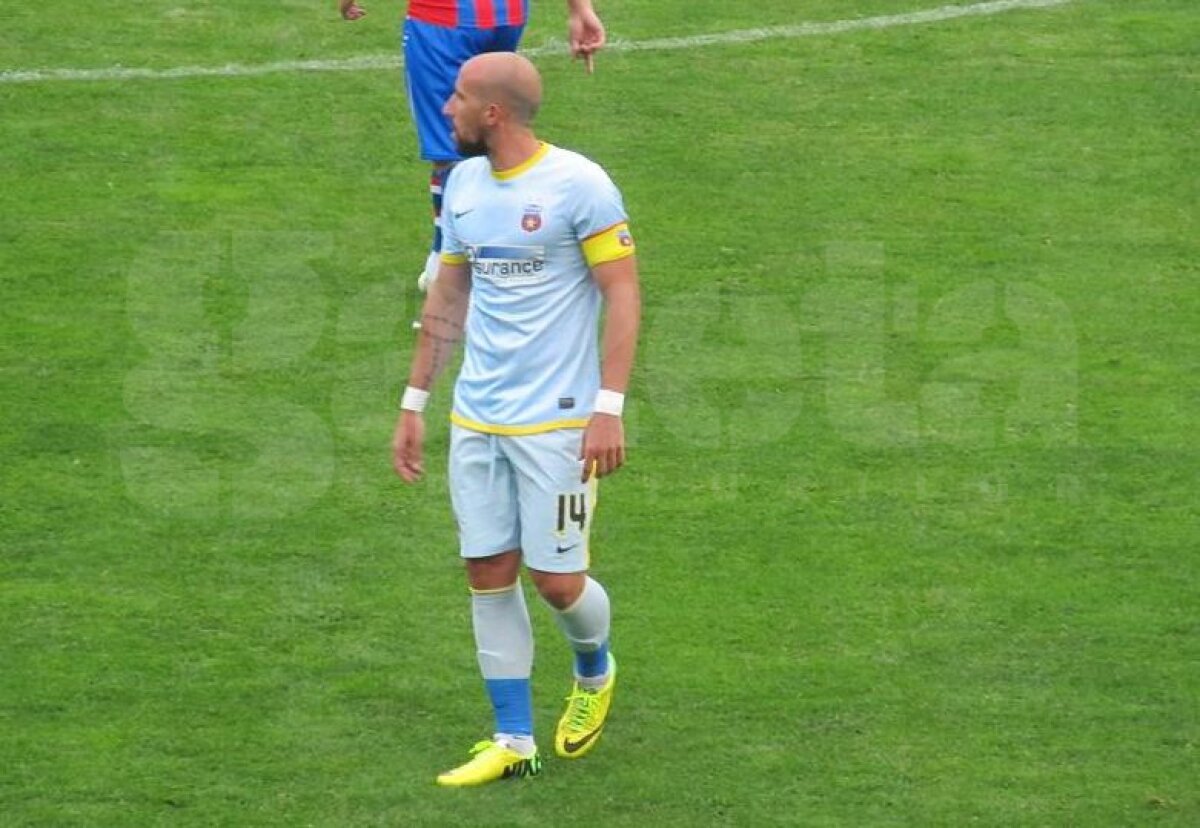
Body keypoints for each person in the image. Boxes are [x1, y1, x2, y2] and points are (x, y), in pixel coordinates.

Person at [392, 51, 640, 786]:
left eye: (460, 98)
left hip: (559, 423)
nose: (447, 108)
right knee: (487, 570)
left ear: (492, 113)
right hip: (479, 415)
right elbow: (447, 299)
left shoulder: (579, 186)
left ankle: (594, 673)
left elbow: (623, 293)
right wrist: (415, 402)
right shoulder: (463, 186)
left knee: (558, 582)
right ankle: (513, 740)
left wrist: (608, 407)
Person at [338, 0, 607, 290]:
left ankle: (447, 264)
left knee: (453, 140)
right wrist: (580, 9)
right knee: (493, 124)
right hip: (508, 14)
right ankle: (511, 246)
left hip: (443, 17)